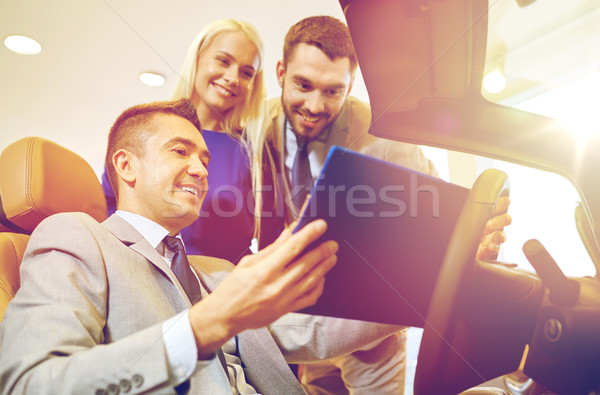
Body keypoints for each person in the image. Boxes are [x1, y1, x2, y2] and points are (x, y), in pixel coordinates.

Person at [0, 98, 402, 395]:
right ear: (126, 165)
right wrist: (206, 325)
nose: (200, 169)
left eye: (205, 160)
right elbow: (30, 384)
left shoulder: (216, 271)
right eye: (180, 151)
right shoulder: (77, 236)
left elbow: (310, 330)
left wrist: (425, 291)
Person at [261, 16, 511, 394]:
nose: (314, 105)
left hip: (369, 325)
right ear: (281, 72)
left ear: (350, 86)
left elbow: (431, 214)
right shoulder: (258, 124)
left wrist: (473, 228)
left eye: (333, 91)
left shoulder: (388, 136)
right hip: (302, 310)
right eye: (303, 85)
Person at [101, 19, 277, 263]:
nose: (233, 77)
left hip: (222, 284)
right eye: (223, 61)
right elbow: (110, 210)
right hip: (142, 272)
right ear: (198, 58)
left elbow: (271, 240)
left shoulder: (254, 153)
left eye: (247, 72)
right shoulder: (144, 129)